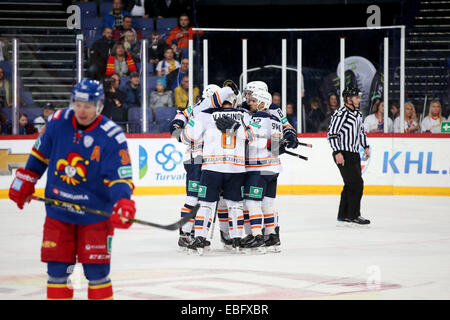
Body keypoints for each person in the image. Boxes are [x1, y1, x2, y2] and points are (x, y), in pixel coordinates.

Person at [8, 79, 135, 300]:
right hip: (59, 214)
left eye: (88, 105)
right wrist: (26, 179)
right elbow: (39, 156)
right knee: (57, 273)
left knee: (97, 275)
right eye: (77, 104)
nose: (82, 110)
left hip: (95, 217)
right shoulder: (57, 122)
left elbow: (119, 179)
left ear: (100, 105)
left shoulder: (112, 136)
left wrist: (122, 202)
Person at [179, 80, 251, 254]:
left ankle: (201, 238)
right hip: (236, 168)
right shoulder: (244, 115)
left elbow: (185, 137)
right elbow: (252, 137)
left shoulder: (204, 115)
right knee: (235, 205)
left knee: (205, 204)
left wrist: (191, 115)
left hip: (212, 167)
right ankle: (236, 239)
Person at [242, 89, 283, 253]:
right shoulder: (276, 120)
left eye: (253, 101)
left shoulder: (257, 118)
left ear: (262, 103)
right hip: (273, 168)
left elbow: (249, 139)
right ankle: (272, 235)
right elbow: (275, 147)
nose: (250, 103)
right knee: (267, 204)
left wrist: (235, 130)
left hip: (259, 167)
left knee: (252, 203)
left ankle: (257, 235)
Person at [327, 86, 371, 225]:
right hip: (343, 153)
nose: (359, 99)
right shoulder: (341, 113)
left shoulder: (357, 114)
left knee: (350, 184)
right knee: (357, 184)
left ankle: (343, 214)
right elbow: (332, 134)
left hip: (354, 153)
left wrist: (366, 146)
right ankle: (354, 215)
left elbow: (360, 132)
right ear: (348, 99)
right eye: (357, 97)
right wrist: (337, 152)